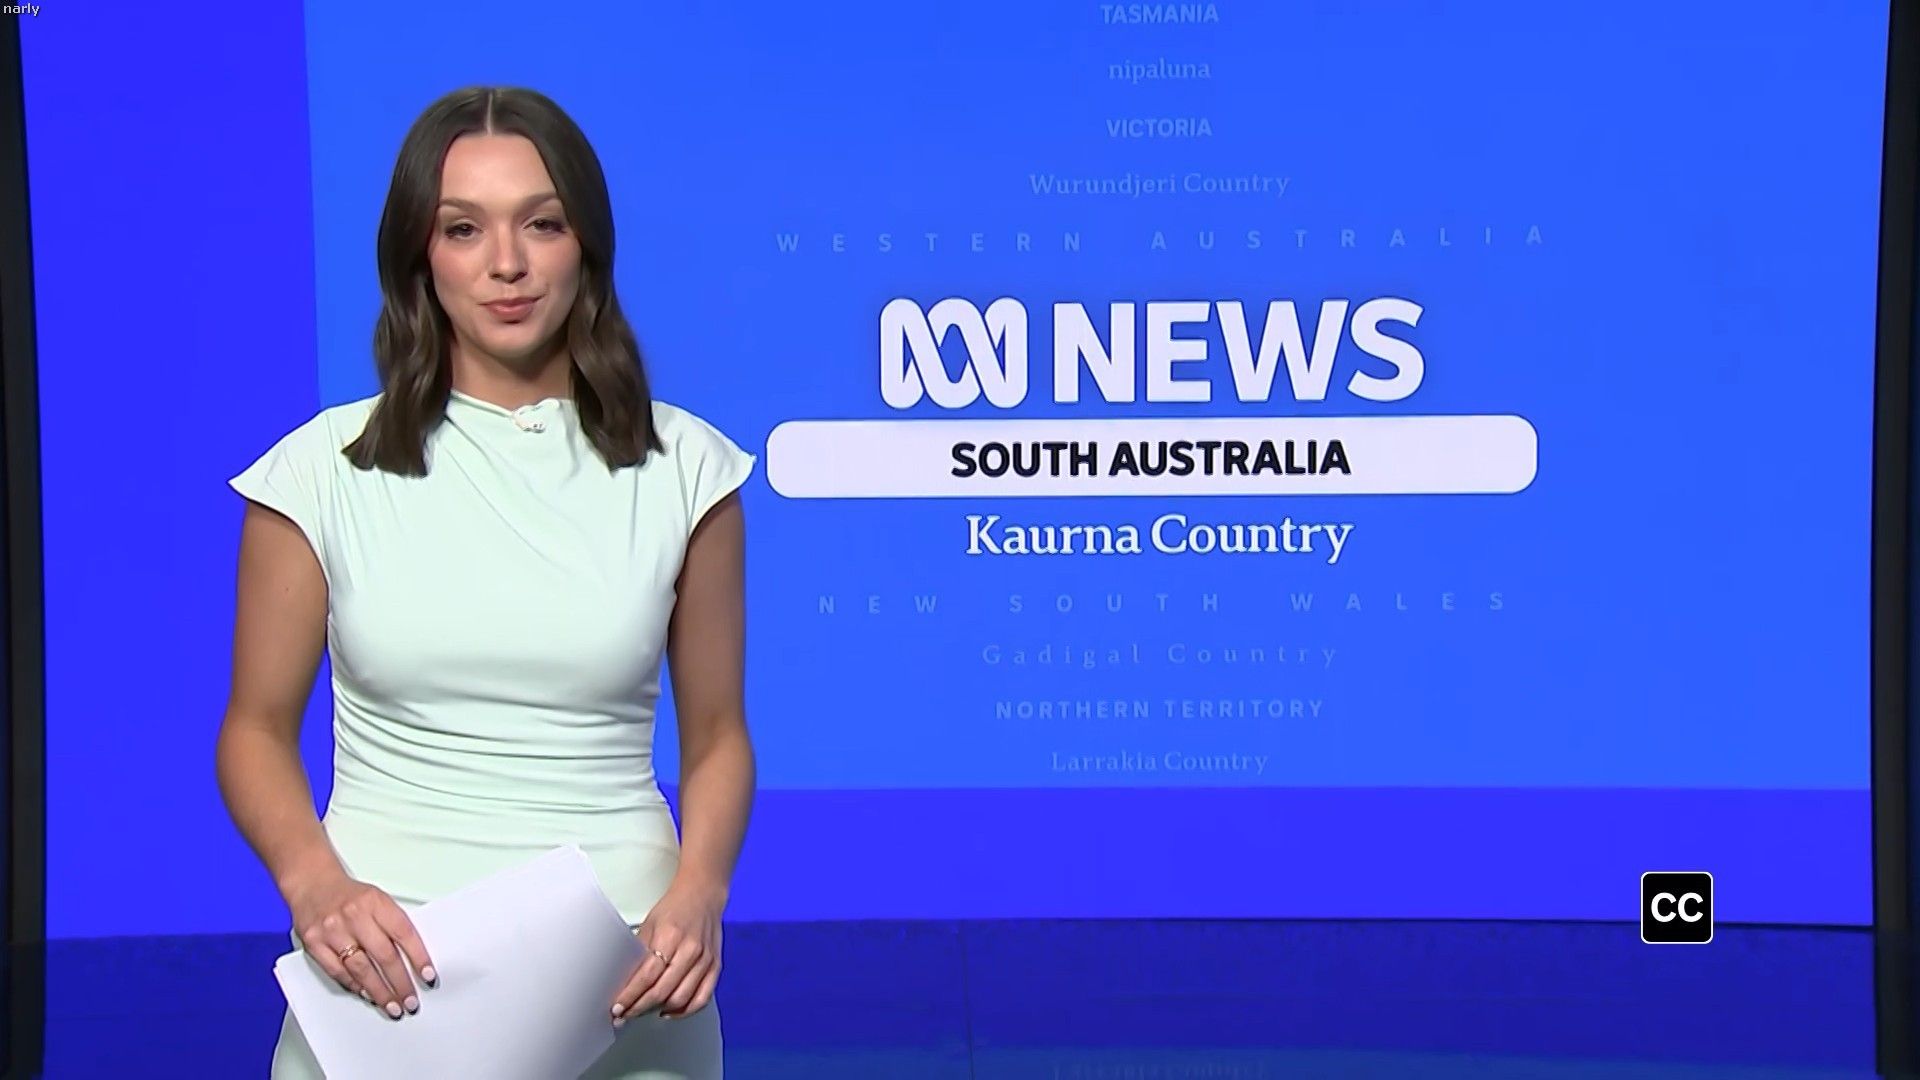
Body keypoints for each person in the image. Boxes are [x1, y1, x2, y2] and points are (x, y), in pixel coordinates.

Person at [214, 86, 754, 1079]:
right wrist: (315, 887)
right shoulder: (318, 471)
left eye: (541, 224)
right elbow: (253, 731)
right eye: (463, 228)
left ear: (586, 245)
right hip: (381, 977)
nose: (507, 264)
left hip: (628, 976)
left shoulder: (687, 468)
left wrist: (701, 893)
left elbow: (718, 735)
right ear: (419, 254)